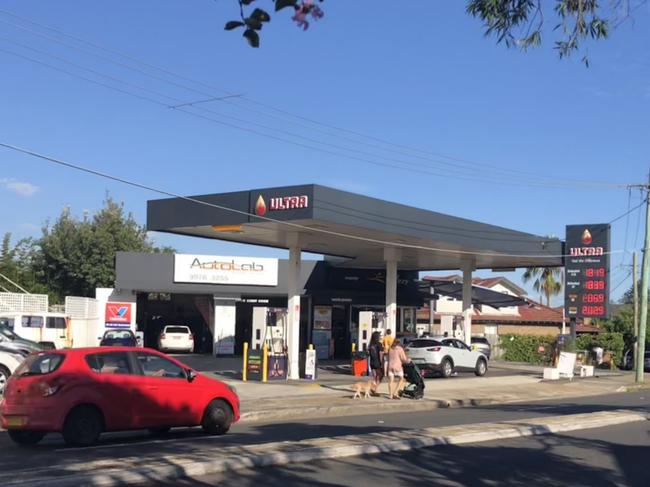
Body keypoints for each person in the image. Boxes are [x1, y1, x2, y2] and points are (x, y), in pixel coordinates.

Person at [368, 331, 384, 395]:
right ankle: (375, 389)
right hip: (378, 362)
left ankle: (374, 388)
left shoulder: (370, 345)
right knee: (381, 375)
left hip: (372, 362)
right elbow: (381, 354)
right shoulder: (379, 344)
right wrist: (382, 363)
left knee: (374, 376)